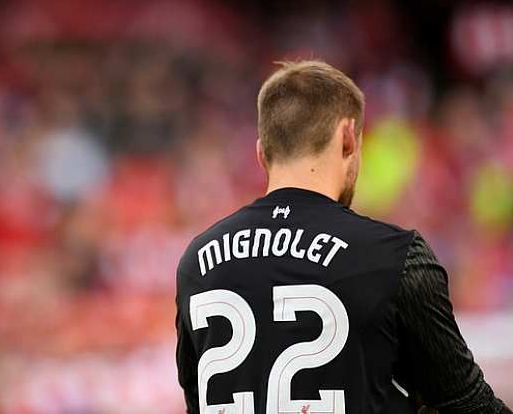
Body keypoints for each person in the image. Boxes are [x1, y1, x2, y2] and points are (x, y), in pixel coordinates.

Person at [175, 60, 511, 414]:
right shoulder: (393, 256)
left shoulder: (197, 261)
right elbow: (469, 404)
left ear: (262, 153)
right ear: (348, 138)